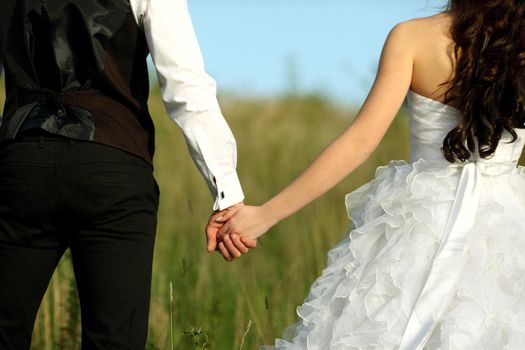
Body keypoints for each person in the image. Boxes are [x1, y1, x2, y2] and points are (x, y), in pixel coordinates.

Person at [209, 0, 525, 348]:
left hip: (417, 226)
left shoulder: (413, 37)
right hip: (508, 228)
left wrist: (264, 216)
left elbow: (360, 141)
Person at [0, 0, 254, 349]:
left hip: (20, 167)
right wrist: (226, 190)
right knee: (115, 339)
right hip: (113, 168)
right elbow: (186, 87)